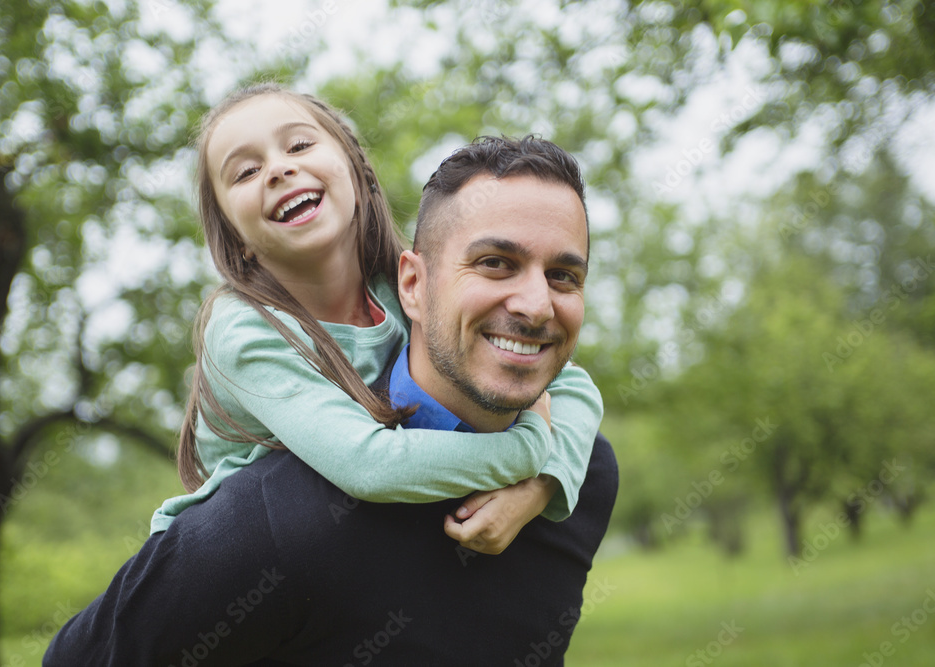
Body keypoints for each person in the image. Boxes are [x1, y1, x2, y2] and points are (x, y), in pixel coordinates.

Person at [44, 134, 618, 667]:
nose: (537, 305)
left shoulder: (582, 476)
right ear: (412, 287)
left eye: (564, 275)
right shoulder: (273, 521)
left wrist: (543, 473)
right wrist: (528, 451)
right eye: (496, 263)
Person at [150, 83, 604, 554]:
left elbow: (572, 386)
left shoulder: (398, 284)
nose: (280, 169)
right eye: (246, 172)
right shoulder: (243, 329)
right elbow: (369, 464)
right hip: (222, 558)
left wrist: (540, 486)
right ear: (235, 236)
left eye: (300, 145)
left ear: (357, 172)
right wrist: (528, 450)